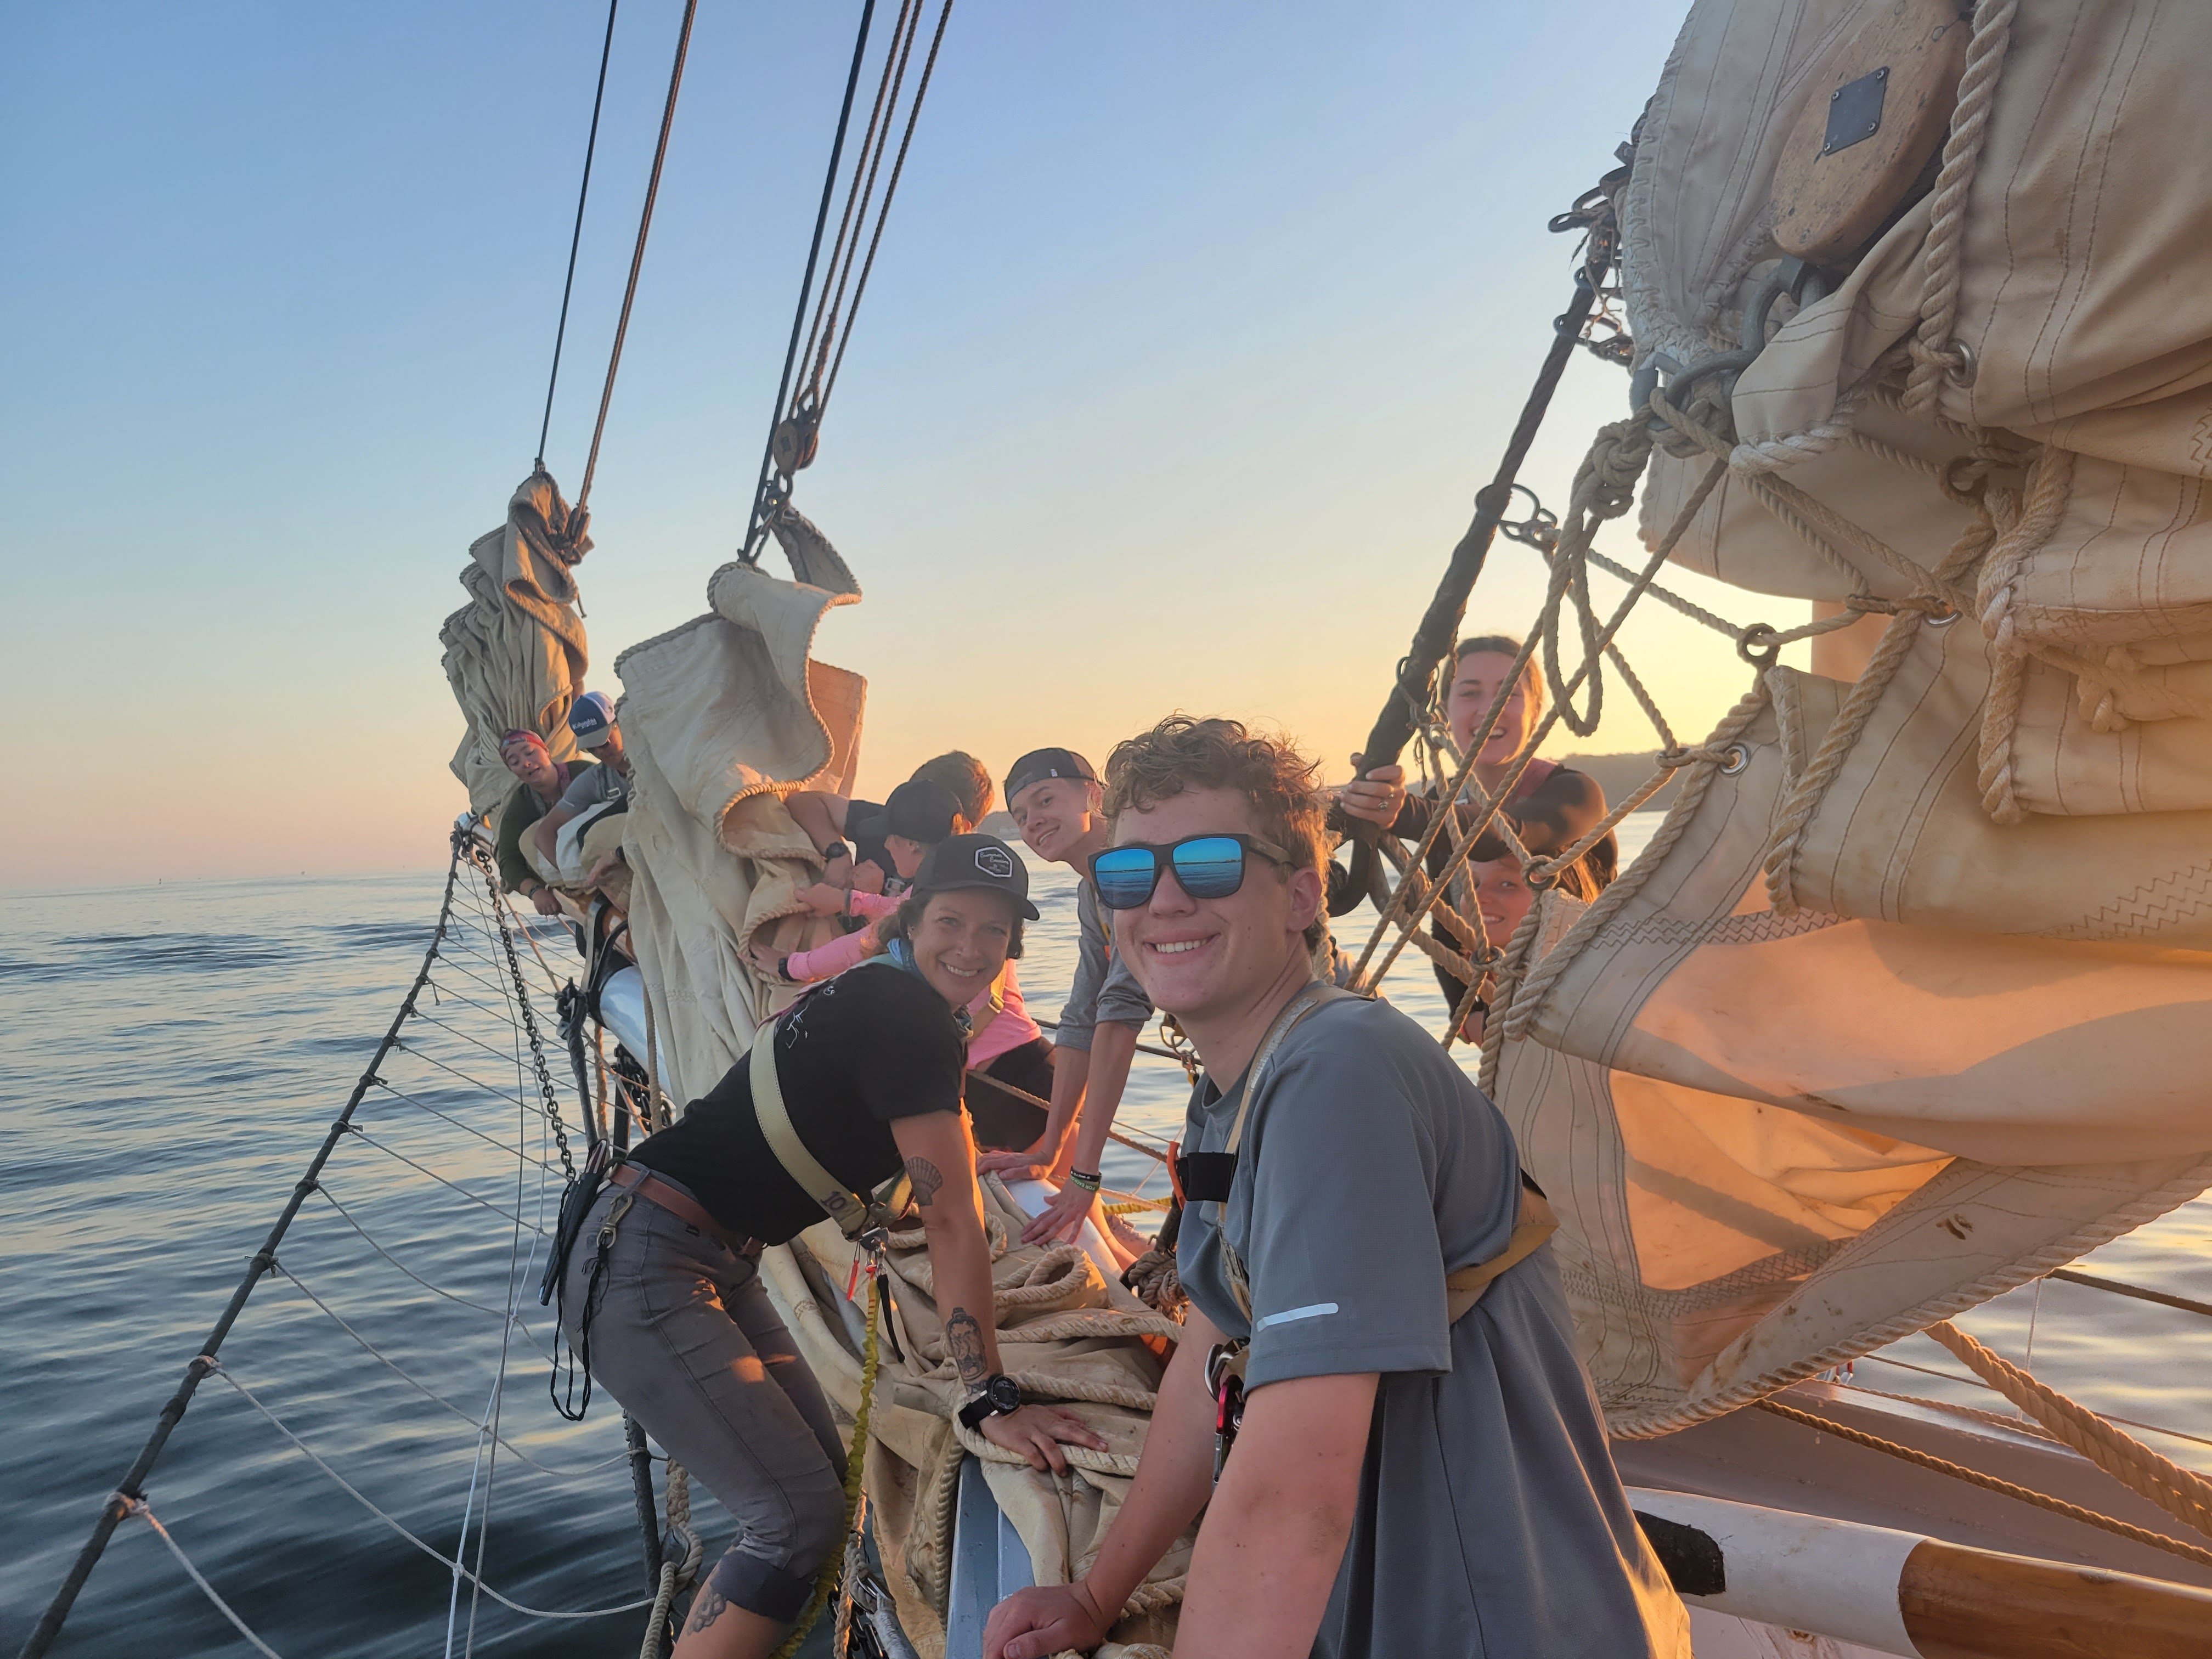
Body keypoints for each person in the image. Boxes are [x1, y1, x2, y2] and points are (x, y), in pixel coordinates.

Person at [983, 716, 1688, 1659]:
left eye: (1209, 863)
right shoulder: (1231, 1093)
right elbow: (1208, 1359)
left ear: (1302, 894)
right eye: (1127, 874)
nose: (1160, 899)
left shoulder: (1337, 1070)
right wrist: (1096, 1591)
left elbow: (1292, 1487)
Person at [563, 833, 1106, 1659]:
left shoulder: (877, 992)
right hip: (651, 1265)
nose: (970, 947)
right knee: (794, 1523)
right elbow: (954, 1217)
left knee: (825, 1485)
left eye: (993, 934)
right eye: (952, 921)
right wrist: (993, 1395)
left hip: (693, 1252)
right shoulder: (910, 1019)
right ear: (913, 919)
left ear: (1012, 948)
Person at [750, 781, 1054, 1152]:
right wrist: (852, 901)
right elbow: (898, 913)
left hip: (1004, 1084)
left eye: (891, 838)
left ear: (911, 846)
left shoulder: (934, 905)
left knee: (1034, 1203)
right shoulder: (958, 892)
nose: (887, 847)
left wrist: (788, 965)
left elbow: (862, 945)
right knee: (1057, 1202)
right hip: (1034, 1067)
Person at [1333, 635, 1613, 1004]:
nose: (1490, 708)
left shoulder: (1576, 794)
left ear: (1536, 708)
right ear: (1444, 712)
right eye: (1469, 693)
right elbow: (1443, 924)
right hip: (1501, 1014)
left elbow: (1505, 833)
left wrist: (1404, 812)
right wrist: (1470, 1018)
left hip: (1595, 1002)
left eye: (1509, 692)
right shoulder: (1439, 802)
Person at [985, 747, 1152, 1245]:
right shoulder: (1090, 890)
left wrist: (1084, 1175)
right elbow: (1083, 1019)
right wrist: (1048, 1149)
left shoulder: (1131, 869)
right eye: (1021, 816)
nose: (1034, 822)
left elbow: (1120, 1016)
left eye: (1045, 800)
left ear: (1094, 795)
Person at [784, 751, 995, 896]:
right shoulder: (888, 820)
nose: (888, 842)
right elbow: (802, 802)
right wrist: (837, 853)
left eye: (921, 806)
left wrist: (867, 900)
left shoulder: (962, 883)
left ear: (962, 828)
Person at [532, 691, 633, 902]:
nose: (600, 752)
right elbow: (545, 831)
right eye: (591, 748)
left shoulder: (654, 761)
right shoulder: (596, 779)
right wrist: (582, 878)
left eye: (604, 742)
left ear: (620, 723)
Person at [490, 728, 596, 915]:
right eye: (515, 762)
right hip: (574, 883)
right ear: (512, 771)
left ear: (546, 751)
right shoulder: (521, 804)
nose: (526, 763)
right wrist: (535, 891)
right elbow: (508, 860)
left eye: (530, 753)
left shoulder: (586, 774)